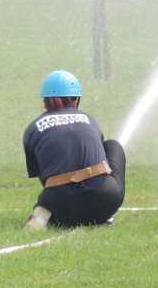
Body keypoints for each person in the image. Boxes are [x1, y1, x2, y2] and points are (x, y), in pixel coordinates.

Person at [21, 70, 125, 228]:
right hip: (105, 199)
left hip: (60, 205)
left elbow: (42, 177)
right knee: (112, 146)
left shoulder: (32, 128)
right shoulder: (89, 119)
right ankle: (104, 217)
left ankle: (44, 214)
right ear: (76, 100)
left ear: (45, 101)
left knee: (54, 190)